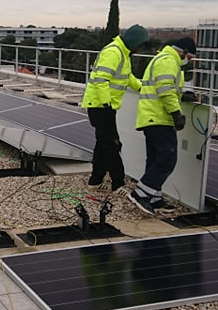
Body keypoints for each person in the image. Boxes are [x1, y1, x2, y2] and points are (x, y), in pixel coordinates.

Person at [127, 36, 197, 214]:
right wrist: (176, 114)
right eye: (189, 58)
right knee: (167, 159)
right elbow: (165, 89)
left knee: (155, 158)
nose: (188, 61)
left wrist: (181, 96)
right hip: (158, 117)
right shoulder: (168, 61)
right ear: (183, 52)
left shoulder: (163, 59)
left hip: (152, 116)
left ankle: (155, 198)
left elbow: (165, 88)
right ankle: (141, 194)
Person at [81, 24, 150, 194]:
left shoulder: (122, 53)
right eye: (140, 45)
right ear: (134, 42)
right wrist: (107, 104)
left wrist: (145, 88)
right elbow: (100, 80)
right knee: (113, 145)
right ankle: (118, 183)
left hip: (104, 106)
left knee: (103, 144)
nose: (140, 49)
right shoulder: (113, 52)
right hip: (101, 107)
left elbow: (128, 78)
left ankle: (95, 181)